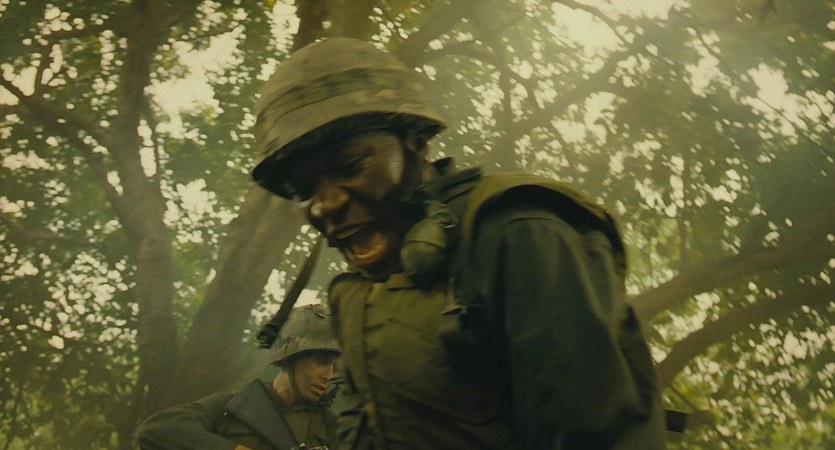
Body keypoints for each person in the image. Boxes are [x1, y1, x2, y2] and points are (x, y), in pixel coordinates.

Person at [251, 37, 666, 449]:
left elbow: (595, 431)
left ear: (416, 145)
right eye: (304, 190)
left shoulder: (518, 230)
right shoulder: (354, 294)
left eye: (349, 165)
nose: (325, 204)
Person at [137, 304, 341, 450]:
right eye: (322, 362)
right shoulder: (232, 406)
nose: (329, 375)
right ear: (290, 357)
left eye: (334, 367)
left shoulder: (331, 427)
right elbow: (157, 430)